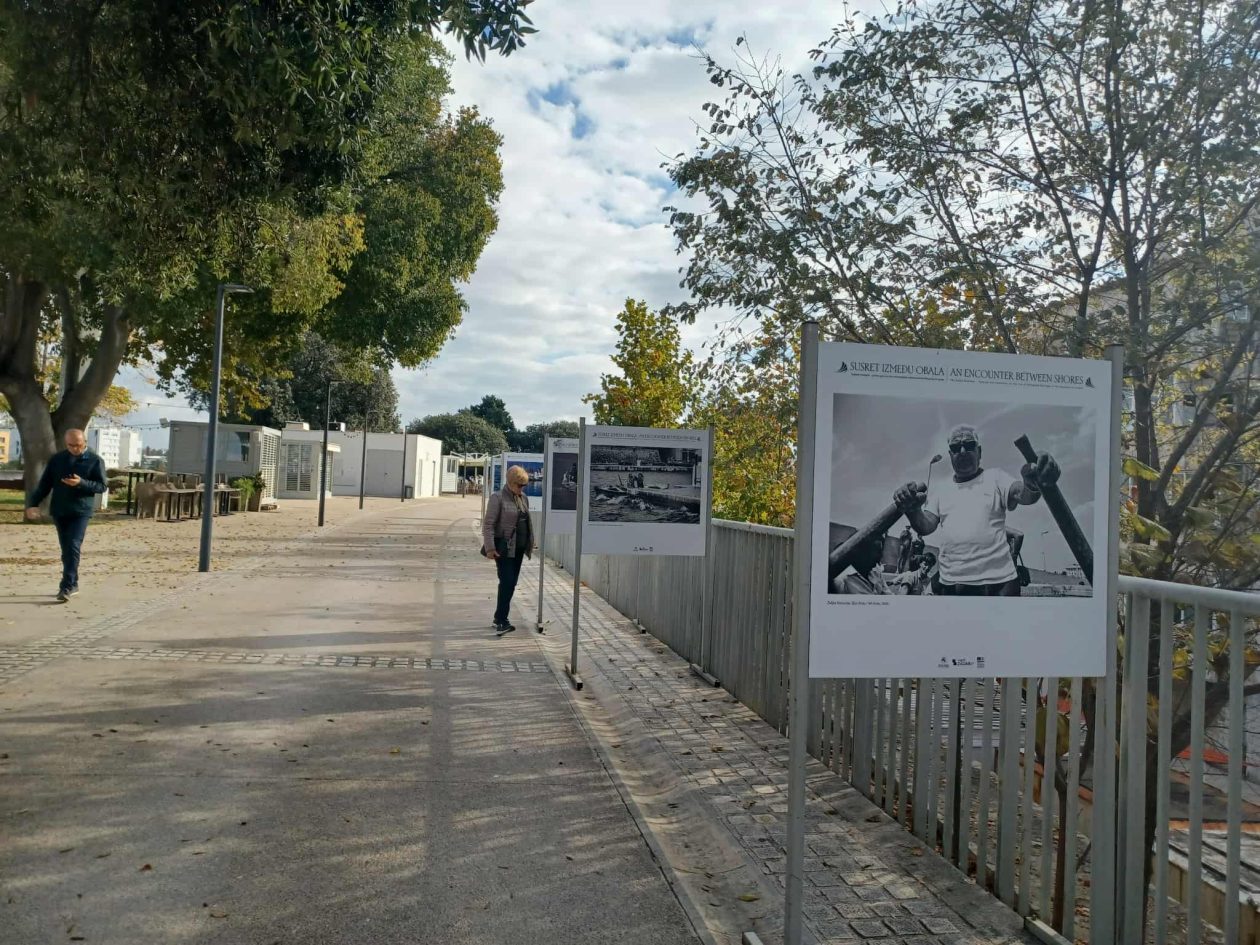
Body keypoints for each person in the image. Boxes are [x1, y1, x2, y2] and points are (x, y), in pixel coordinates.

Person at [893, 424, 1058, 596]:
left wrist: (1033, 484)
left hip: (999, 585)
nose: (962, 451)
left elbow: (1023, 495)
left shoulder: (995, 477)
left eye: (969, 445)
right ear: (950, 455)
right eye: (956, 447)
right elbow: (925, 526)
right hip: (951, 584)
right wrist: (912, 510)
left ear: (979, 452)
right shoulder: (942, 489)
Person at [24, 429, 108, 601]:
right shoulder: (58, 459)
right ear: (66, 444)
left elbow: (102, 486)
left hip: (80, 511)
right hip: (60, 510)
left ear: (84, 442)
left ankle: (66, 586)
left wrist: (81, 483)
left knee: (73, 545)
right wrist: (32, 504)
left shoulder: (95, 460)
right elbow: (45, 484)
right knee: (66, 550)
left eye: (78, 445)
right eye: (71, 445)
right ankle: (73, 582)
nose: (75, 448)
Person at [482, 464, 536, 636]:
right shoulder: (497, 498)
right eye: (519, 485)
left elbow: (526, 522)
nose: (522, 488)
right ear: (511, 483)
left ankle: (499, 617)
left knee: (511, 583)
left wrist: (530, 542)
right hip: (504, 549)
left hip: (519, 549)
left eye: (524, 485)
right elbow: (488, 525)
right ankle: (502, 620)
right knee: (507, 582)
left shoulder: (523, 498)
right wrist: (490, 548)